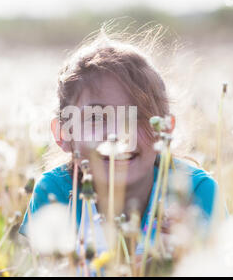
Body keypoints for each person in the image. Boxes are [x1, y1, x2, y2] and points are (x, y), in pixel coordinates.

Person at [19, 28, 217, 257]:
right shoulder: (55, 193)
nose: (118, 135)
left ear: (166, 130)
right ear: (63, 133)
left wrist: (183, 256)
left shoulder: (196, 193)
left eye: (138, 117)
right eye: (95, 117)